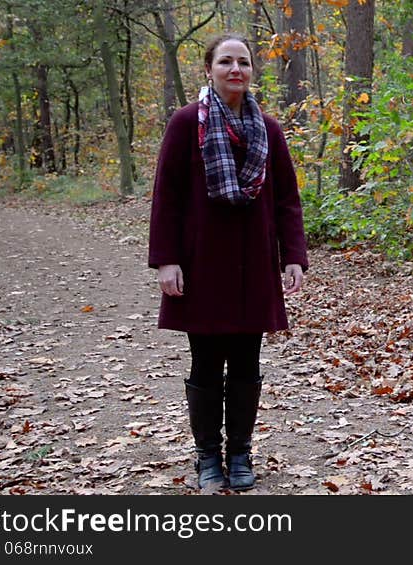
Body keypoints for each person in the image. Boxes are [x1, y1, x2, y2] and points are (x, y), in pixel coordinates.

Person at [148, 32, 308, 492]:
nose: (235, 69)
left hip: (255, 263)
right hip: (203, 263)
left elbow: (287, 201)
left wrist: (293, 255)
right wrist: (167, 260)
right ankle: (207, 458)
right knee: (205, 362)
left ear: (252, 70)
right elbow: (168, 197)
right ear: (209, 69)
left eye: (243, 62)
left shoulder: (269, 129)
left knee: (246, 360)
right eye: (225, 62)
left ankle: (240, 452)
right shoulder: (185, 123)